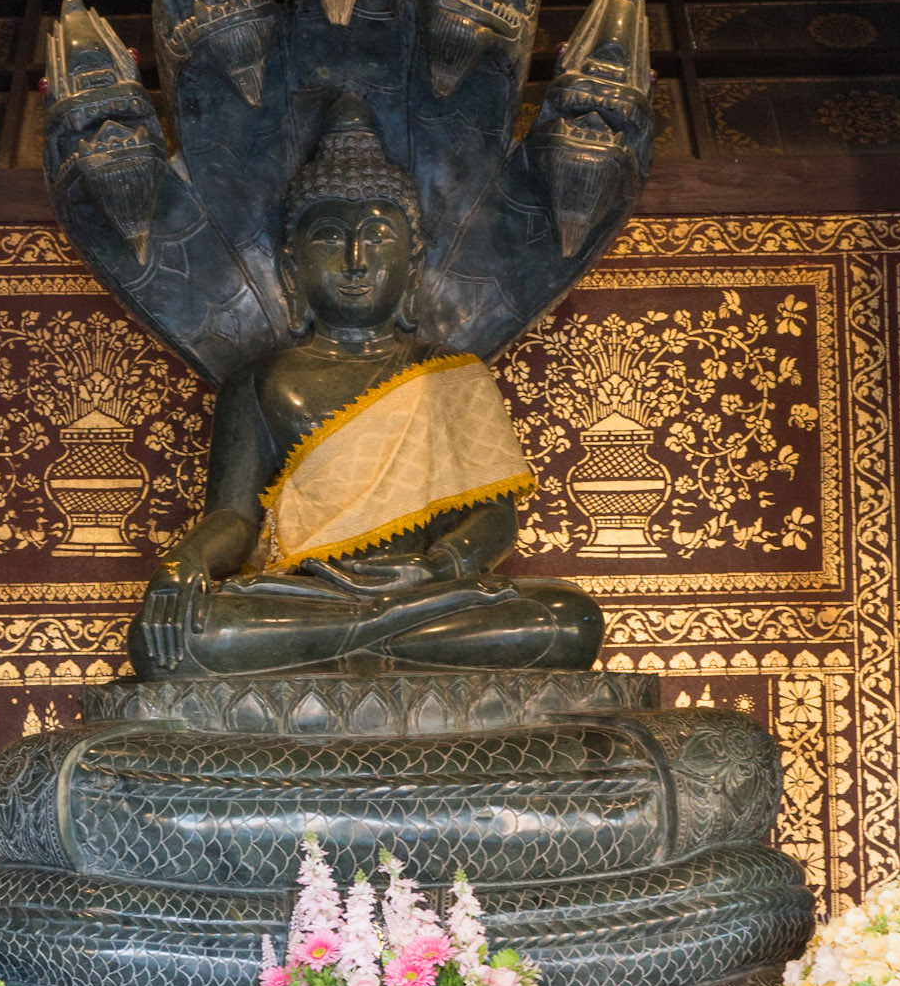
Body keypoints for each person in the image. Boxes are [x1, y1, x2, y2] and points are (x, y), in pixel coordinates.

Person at [127, 97, 603, 679]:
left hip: (427, 594)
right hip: (299, 594)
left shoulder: (449, 374)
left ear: (415, 260)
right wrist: (189, 559)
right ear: (290, 267)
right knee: (170, 639)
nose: (355, 261)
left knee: (568, 618)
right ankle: (370, 639)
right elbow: (235, 518)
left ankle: (352, 640)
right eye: (329, 239)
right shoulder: (256, 381)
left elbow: (495, 520)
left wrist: (436, 571)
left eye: (378, 238)